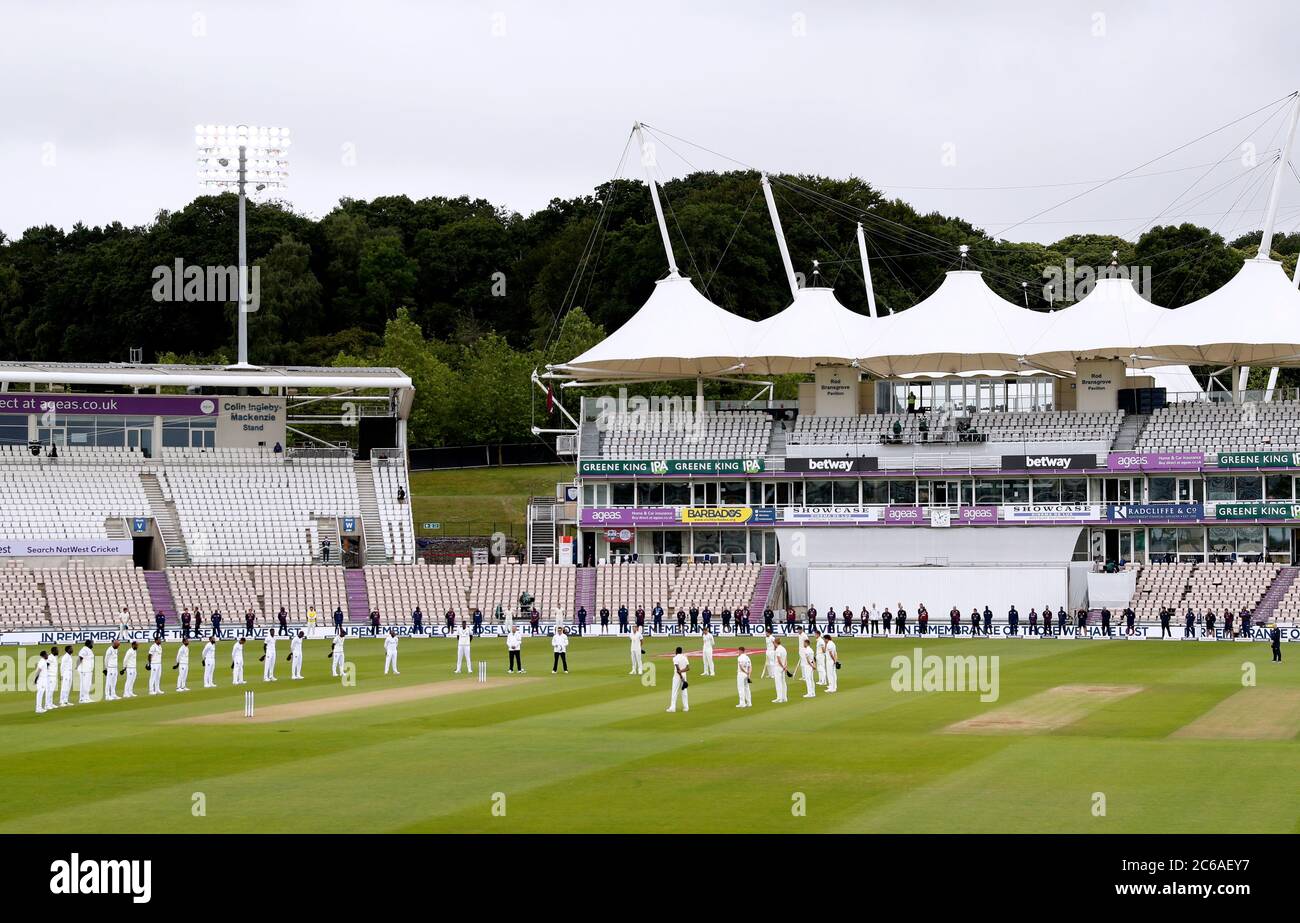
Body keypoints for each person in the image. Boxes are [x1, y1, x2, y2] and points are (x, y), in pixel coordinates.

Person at [667, 646, 690, 713]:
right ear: (681, 651)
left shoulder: (675, 658)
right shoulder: (685, 657)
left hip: (677, 676)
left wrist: (681, 675)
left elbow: (677, 669)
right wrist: (683, 675)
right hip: (684, 675)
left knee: (674, 691)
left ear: (676, 651)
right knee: (684, 692)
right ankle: (686, 707)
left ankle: (672, 708)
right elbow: (688, 668)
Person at [771, 637, 789, 704]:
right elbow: (785, 659)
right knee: (783, 682)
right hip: (783, 667)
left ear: (775, 643)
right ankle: (784, 698)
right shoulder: (783, 649)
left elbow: (778, 659)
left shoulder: (778, 649)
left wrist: (783, 666)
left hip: (778, 667)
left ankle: (779, 698)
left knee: (778, 683)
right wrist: (785, 666)